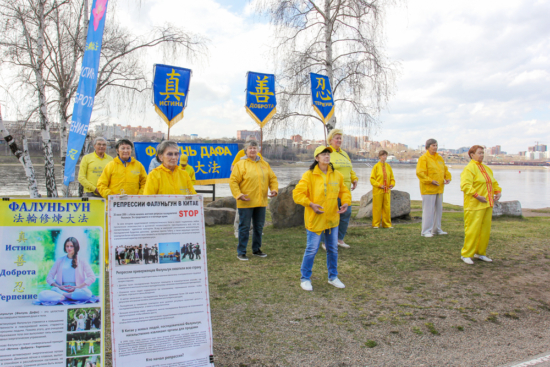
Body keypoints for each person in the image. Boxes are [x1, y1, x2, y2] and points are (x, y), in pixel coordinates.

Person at [293, 146, 352, 291]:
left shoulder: (337, 175)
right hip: (316, 218)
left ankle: (333, 277)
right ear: (316, 158)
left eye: (328, 154)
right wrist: (310, 204)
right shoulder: (309, 175)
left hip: (332, 219)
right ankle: (305, 278)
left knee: (333, 249)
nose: (327, 156)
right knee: (311, 249)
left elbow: (344, 191)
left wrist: (345, 203)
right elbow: (297, 194)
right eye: (323, 154)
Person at [97, 139, 147, 265]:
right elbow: (101, 184)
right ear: (117, 151)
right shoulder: (110, 165)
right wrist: (112, 196)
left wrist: (138, 196)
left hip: (133, 206)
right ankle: (108, 260)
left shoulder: (138, 165)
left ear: (131, 150)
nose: (125, 151)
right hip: (114, 207)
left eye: (128, 148)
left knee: (132, 233)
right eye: (122, 148)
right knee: (111, 234)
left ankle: (130, 259)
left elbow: (145, 183)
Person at [230, 140, 278, 261]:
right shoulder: (240, 164)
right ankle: (241, 252)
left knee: (259, 227)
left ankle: (256, 250)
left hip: (261, 201)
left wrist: (274, 189)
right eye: (250, 148)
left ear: (258, 150)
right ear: (246, 150)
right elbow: (233, 181)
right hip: (245, 201)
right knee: (244, 227)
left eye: (254, 148)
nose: (252, 150)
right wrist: (238, 194)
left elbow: (272, 178)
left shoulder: (264, 164)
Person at [460, 145, 502, 265]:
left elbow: (493, 183)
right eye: (479, 153)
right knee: (472, 230)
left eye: (483, 153)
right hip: (474, 205)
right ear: (472, 155)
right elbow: (465, 185)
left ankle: (480, 252)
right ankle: (466, 254)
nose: (482, 155)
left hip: (487, 204)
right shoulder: (469, 169)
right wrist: (476, 195)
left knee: (485, 230)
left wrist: (498, 192)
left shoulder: (487, 169)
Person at [320, 129, 358, 249]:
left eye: (340, 138)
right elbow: (322, 168)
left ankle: (339, 239)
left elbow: (350, 168)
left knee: (346, 213)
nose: (339, 140)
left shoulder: (344, 154)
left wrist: (354, 178)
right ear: (330, 139)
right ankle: (325, 242)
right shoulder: (327, 153)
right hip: (332, 189)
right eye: (337, 138)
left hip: (345, 190)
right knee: (330, 215)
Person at [40, 237, 96, 302]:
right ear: (65, 247)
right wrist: (58, 286)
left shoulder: (82, 260)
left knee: (88, 293)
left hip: (77, 291)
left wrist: (79, 287)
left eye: (71, 246)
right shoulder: (59, 260)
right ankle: (67, 295)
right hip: (61, 290)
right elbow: (49, 277)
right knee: (42, 295)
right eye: (67, 246)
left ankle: (64, 297)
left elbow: (92, 277)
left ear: (75, 247)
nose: (69, 248)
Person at [416, 138, 452, 237]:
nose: (435, 147)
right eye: (433, 145)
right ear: (428, 147)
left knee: (438, 210)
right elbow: (420, 173)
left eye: (436, 145)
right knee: (428, 210)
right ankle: (426, 231)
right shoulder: (423, 158)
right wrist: (430, 181)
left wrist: (447, 178)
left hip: (439, 189)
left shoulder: (440, 158)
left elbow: (445, 170)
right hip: (428, 189)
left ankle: (436, 229)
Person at [370, 150, 395, 228]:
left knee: (387, 208)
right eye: (383, 155)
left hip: (387, 191)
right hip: (378, 191)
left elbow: (392, 178)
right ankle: (376, 224)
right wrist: (379, 185)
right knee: (377, 208)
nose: (384, 157)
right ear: (379, 156)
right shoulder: (376, 167)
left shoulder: (388, 166)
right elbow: (372, 179)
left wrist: (392, 184)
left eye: (385, 155)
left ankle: (387, 224)